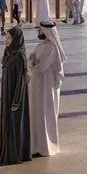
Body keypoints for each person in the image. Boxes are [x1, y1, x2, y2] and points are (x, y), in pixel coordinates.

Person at [28, 21, 66, 157]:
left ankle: (46, 146)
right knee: (37, 113)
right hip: (37, 84)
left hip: (46, 86)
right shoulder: (41, 45)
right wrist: (32, 63)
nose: (38, 32)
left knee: (45, 114)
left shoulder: (51, 48)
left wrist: (33, 64)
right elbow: (31, 59)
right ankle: (36, 145)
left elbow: (41, 66)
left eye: (40, 30)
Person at [0, 26, 31, 165]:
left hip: (15, 96)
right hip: (6, 93)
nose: (7, 40)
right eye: (6, 37)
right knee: (7, 123)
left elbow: (21, 80)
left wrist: (16, 101)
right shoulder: (8, 52)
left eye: (10, 37)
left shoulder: (19, 56)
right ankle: (7, 152)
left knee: (15, 124)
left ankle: (16, 153)